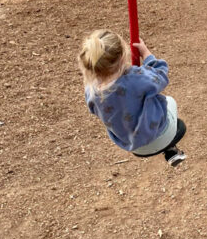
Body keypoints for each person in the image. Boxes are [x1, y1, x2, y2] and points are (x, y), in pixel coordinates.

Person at [78, 30, 187, 167]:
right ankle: (170, 148)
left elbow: (94, 110)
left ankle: (169, 149)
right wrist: (146, 54)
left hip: (133, 145)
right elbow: (161, 75)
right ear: (123, 57)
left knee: (138, 105)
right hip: (161, 134)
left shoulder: (91, 91)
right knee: (169, 101)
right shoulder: (134, 77)